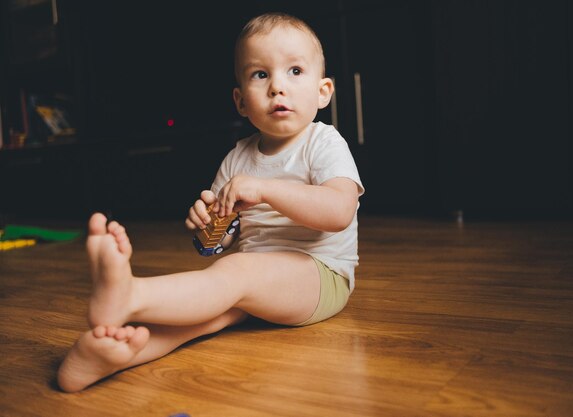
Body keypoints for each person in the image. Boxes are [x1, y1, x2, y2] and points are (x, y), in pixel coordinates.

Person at [57, 12, 364, 393]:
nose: (277, 88)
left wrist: (265, 191)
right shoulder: (237, 158)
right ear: (240, 100)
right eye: (260, 74)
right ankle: (105, 359)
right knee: (210, 314)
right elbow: (215, 244)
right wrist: (209, 225)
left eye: (295, 71)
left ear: (324, 91)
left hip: (322, 277)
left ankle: (133, 294)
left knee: (236, 275)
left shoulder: (324, 143)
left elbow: (338, 212)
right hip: (261, 279)